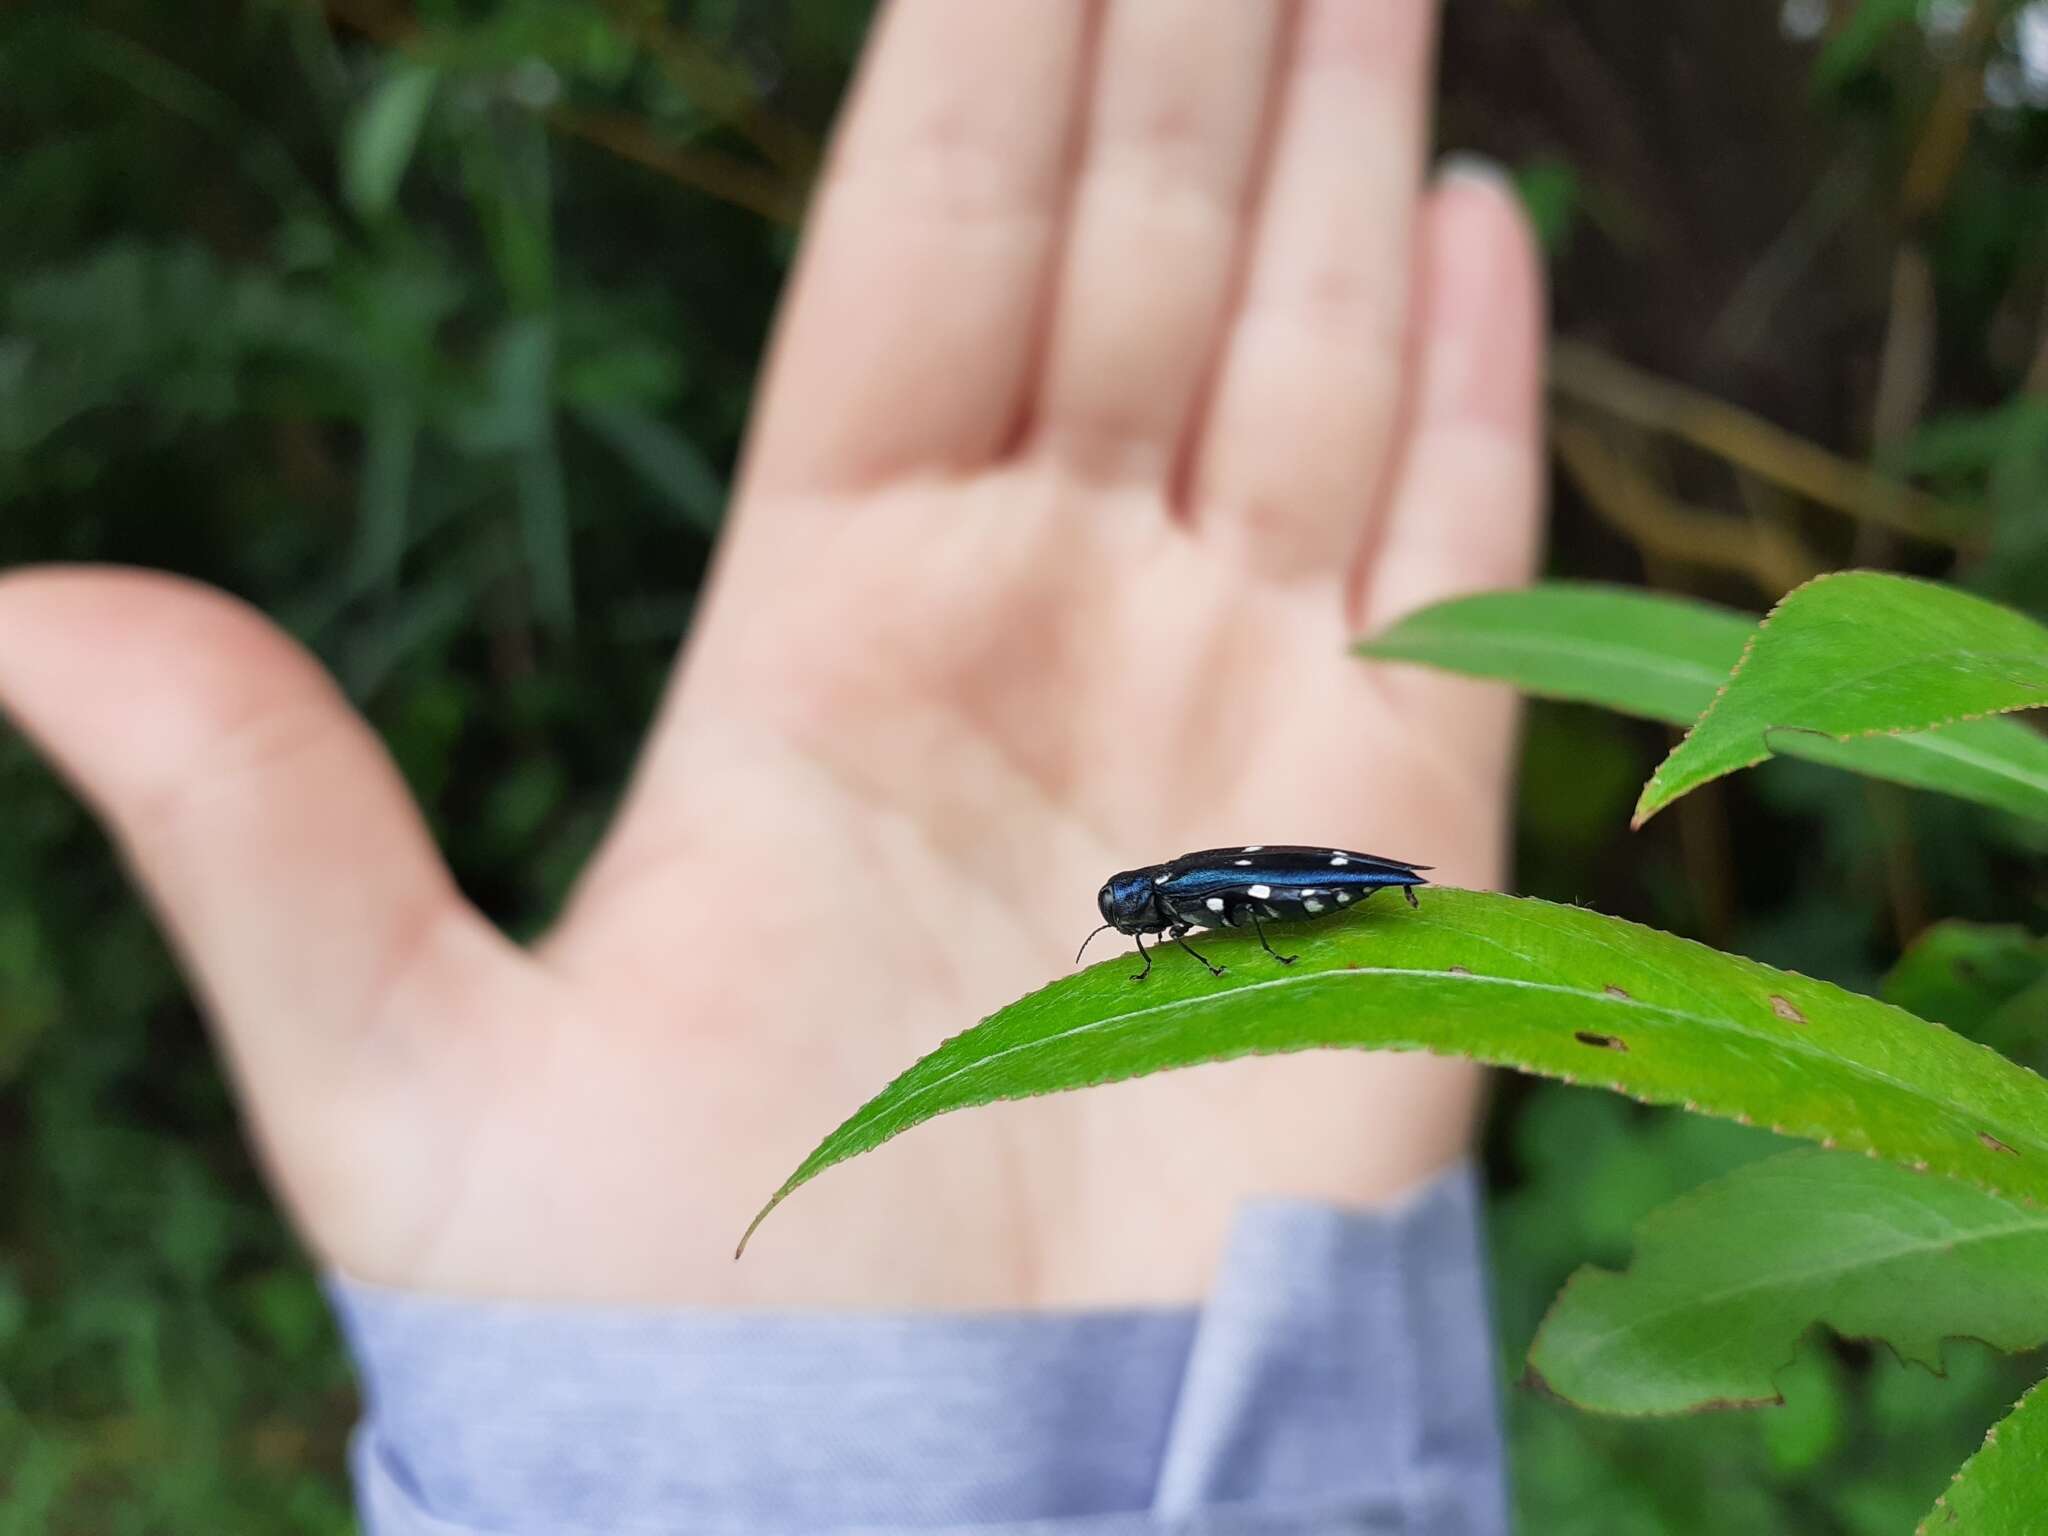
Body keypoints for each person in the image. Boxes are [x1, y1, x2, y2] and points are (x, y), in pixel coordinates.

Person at [0, 1, 1544, 1530]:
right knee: (1287, 893)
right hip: (1319, 965)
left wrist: (730, 1452)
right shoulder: (1181, 901)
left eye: (1140, 912)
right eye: (1144, 912)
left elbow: (1228, 910)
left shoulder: (1191, 898)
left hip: (1322, 909)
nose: (1143, 919)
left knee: (1286, 891)